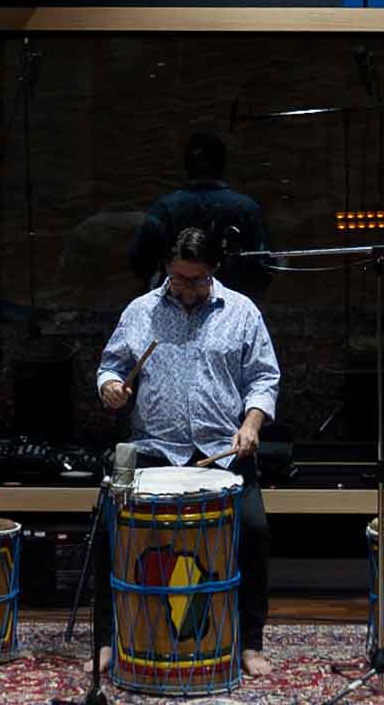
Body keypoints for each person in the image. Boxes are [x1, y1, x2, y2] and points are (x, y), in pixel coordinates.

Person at [89, 223, 280, 671]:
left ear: (214, 270)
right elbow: (110, 366)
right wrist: (111, 387)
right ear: (167, 269)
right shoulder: (141, 311)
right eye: (179, 279)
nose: (187, 289)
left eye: (197, 280)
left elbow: (264, 378)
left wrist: (251, 424)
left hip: (221, 449)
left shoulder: (242, 312)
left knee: (254, 530)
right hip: (154, 447)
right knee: (108, 528)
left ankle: (250, 642)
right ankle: (107, 638)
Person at [127, 130, 270, 290]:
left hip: (176, 299)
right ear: (223, 165)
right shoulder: (246, 208)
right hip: (232, 300)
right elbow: (264, 266)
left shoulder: (164, 208)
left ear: (186, 165)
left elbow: (140, 263)